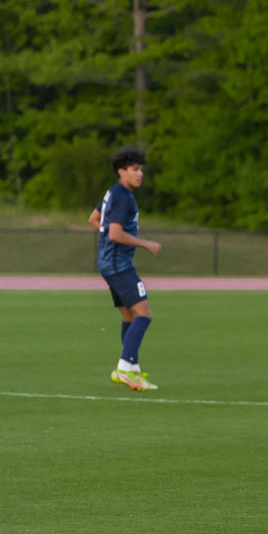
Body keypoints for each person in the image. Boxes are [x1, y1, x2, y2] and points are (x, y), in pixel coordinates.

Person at [88, 147, 162, 392]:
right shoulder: (123, 197)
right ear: (122, 172)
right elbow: (115, 233)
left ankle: (132, 371)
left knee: (129, 316)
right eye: (135, 169)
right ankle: (123, 367)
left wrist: (107, 239)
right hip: (120, 266)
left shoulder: (114, 192)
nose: (140, 174)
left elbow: (94, 218)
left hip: (108, 264)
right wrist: (146, 244)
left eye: (141, 169)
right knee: (145, 314)